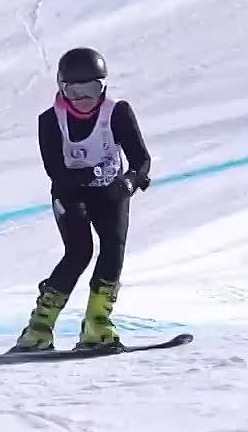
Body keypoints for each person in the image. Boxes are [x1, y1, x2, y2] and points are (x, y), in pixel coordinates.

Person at [11, 46, 152, 352]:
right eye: (76, 92)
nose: (85, 99)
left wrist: (129, 183)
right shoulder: (51, 120)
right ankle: (39, 327)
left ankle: (97, 323)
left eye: (93, 89)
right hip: (70, 191)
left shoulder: (117, 112)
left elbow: (141, 160)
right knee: (79, 252)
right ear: (62, 89)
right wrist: (94, 173)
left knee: (113, 249)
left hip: (111, 191)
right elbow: (56, 171)